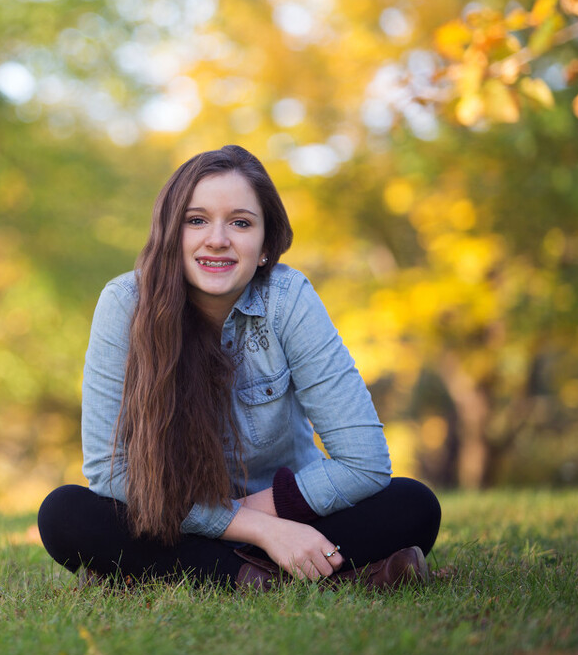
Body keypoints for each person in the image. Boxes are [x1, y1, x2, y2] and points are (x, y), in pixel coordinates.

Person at [37, 145, 441, 590]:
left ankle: (211, 576)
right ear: (171, 233)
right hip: (178, 516)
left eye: (241, 223)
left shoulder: (289, 300)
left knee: (414, 506)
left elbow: (365, 461)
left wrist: (267, 513)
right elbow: (112, 471)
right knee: (66, 515)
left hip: (289, 509)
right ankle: (309, 574)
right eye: (197, 220)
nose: (217, 239)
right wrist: (260, 530)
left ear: (266, 245)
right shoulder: (124, 305)